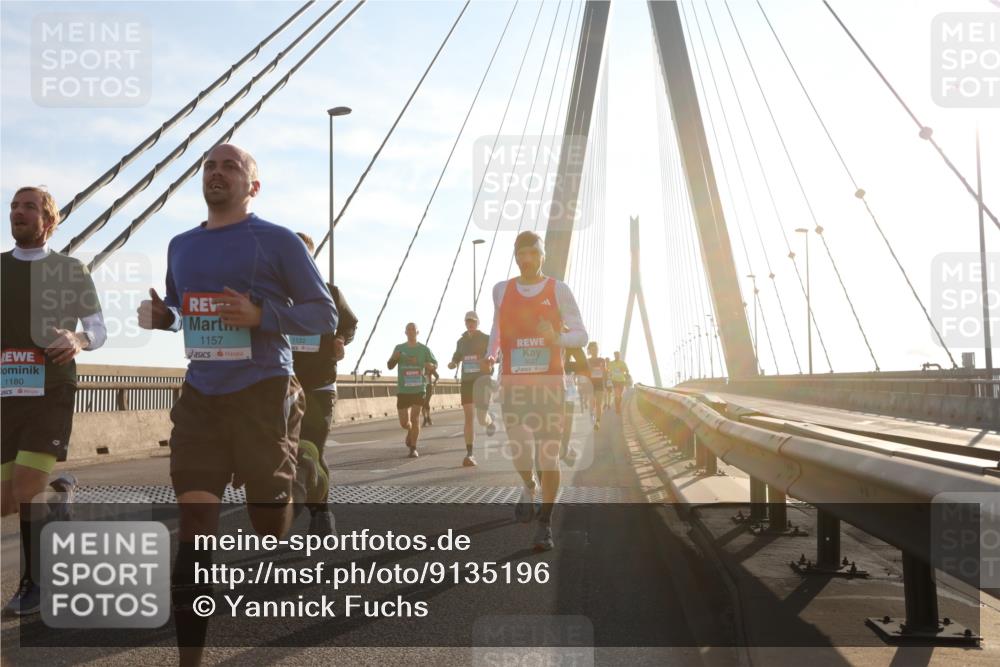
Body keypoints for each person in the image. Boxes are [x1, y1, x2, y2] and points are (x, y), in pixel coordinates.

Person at [137, 144, 337, 666]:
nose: (216, 173)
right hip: (201, 396)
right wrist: (166, 319)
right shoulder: (180, 245)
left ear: (253, 186)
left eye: (230, 166)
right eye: (209, 166)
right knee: (194, 523)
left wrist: (261, 315)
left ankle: (306, 471)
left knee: (269, 525)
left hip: (262, 392)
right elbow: (184, 310)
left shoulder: (278, 241)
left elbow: (324, 316)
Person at [2, 186, 107, 615]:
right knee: (8, 501)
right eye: (13, 206)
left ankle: (35, 583)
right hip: (6, 394)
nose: (18, 212)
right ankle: (59, 507)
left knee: (26, 489)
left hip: (52, 389)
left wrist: (78, 338)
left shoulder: (70, 269)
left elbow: (98, 327)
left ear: (48, 221)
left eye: (29, 207)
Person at [486, 231, 587, 552]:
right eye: (521, 254)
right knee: (520, 451)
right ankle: (528, 486)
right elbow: (497, 329)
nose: (526, 259)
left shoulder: (559, 290)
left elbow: (581, 336)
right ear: (516, 257)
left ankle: (545, 523)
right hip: (514, 384)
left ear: (542, 256)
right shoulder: (501, 290)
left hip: (549, 386)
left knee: (548, 455)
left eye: (532, 253)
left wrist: (556, 338)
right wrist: (491, 355)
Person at [291, 232, 359, 537]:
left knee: (311, 451)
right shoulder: (277, 294)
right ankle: (301, 503)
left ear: (311, 256)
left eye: (303, 253)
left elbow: (350, 323)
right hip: (283, 386)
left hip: (320, 384)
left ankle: (321, 513)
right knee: (289, 453)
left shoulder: (330, 292)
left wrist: (341, 340)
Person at [447, 311, 496, 467]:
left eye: (473, 321)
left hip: (482, 381)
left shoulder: (486, 338)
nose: (470, 324)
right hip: (467, 381)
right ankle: (470, 453)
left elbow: (497, 356)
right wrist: (453, 363)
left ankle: (489, 421)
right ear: (465, 322)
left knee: (481, 419)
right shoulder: (460, 341)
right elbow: (457, 355)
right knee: (469, 416)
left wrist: (489, 361)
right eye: (468, 321)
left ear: (478, 322)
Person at [388, 323, 437, 458]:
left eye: (413, 329)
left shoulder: (424, 349)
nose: (411, 332)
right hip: (403, 389)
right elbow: (389, 366)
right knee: (404, 422)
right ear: (405, 332)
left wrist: (430, 366)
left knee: (415, 418)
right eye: (408, 330)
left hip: (419, 388)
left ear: (417, 332)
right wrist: (395, 358)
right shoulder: (399, 348)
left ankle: (413, 448)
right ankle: (409, 430)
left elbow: (434, 365)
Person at [559, 346, 589, 467]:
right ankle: (565, 450)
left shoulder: (570, 361)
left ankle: (565, 449)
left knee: (565, 424)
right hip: (555, 393)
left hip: (568, 394)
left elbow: (584, 366)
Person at [586, 343, 608, 431]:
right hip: (590, 384)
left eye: (596, 348)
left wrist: (606, 385)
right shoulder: (587, 361)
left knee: (599, 404)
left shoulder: (602, 360)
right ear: (589, 351)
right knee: (592, 404)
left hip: (599, 384)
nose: (595, 350)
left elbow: (605, 372)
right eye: (593, 349)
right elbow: (585, 372)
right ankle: (592, 419)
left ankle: (598, 422)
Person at [609, 351, 630, 415]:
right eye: (615, 355)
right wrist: (610, 376)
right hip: (614, 380)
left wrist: (625, 372)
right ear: (614, 355)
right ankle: (617, 408)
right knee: (616, 394)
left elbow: (627, 371)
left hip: (621, 380)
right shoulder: (611, 363)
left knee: (620, 395)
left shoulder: (622, 363)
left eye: (618, 355)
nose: (617, 356)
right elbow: (608, 371)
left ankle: (618, 406)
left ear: (619, 355)